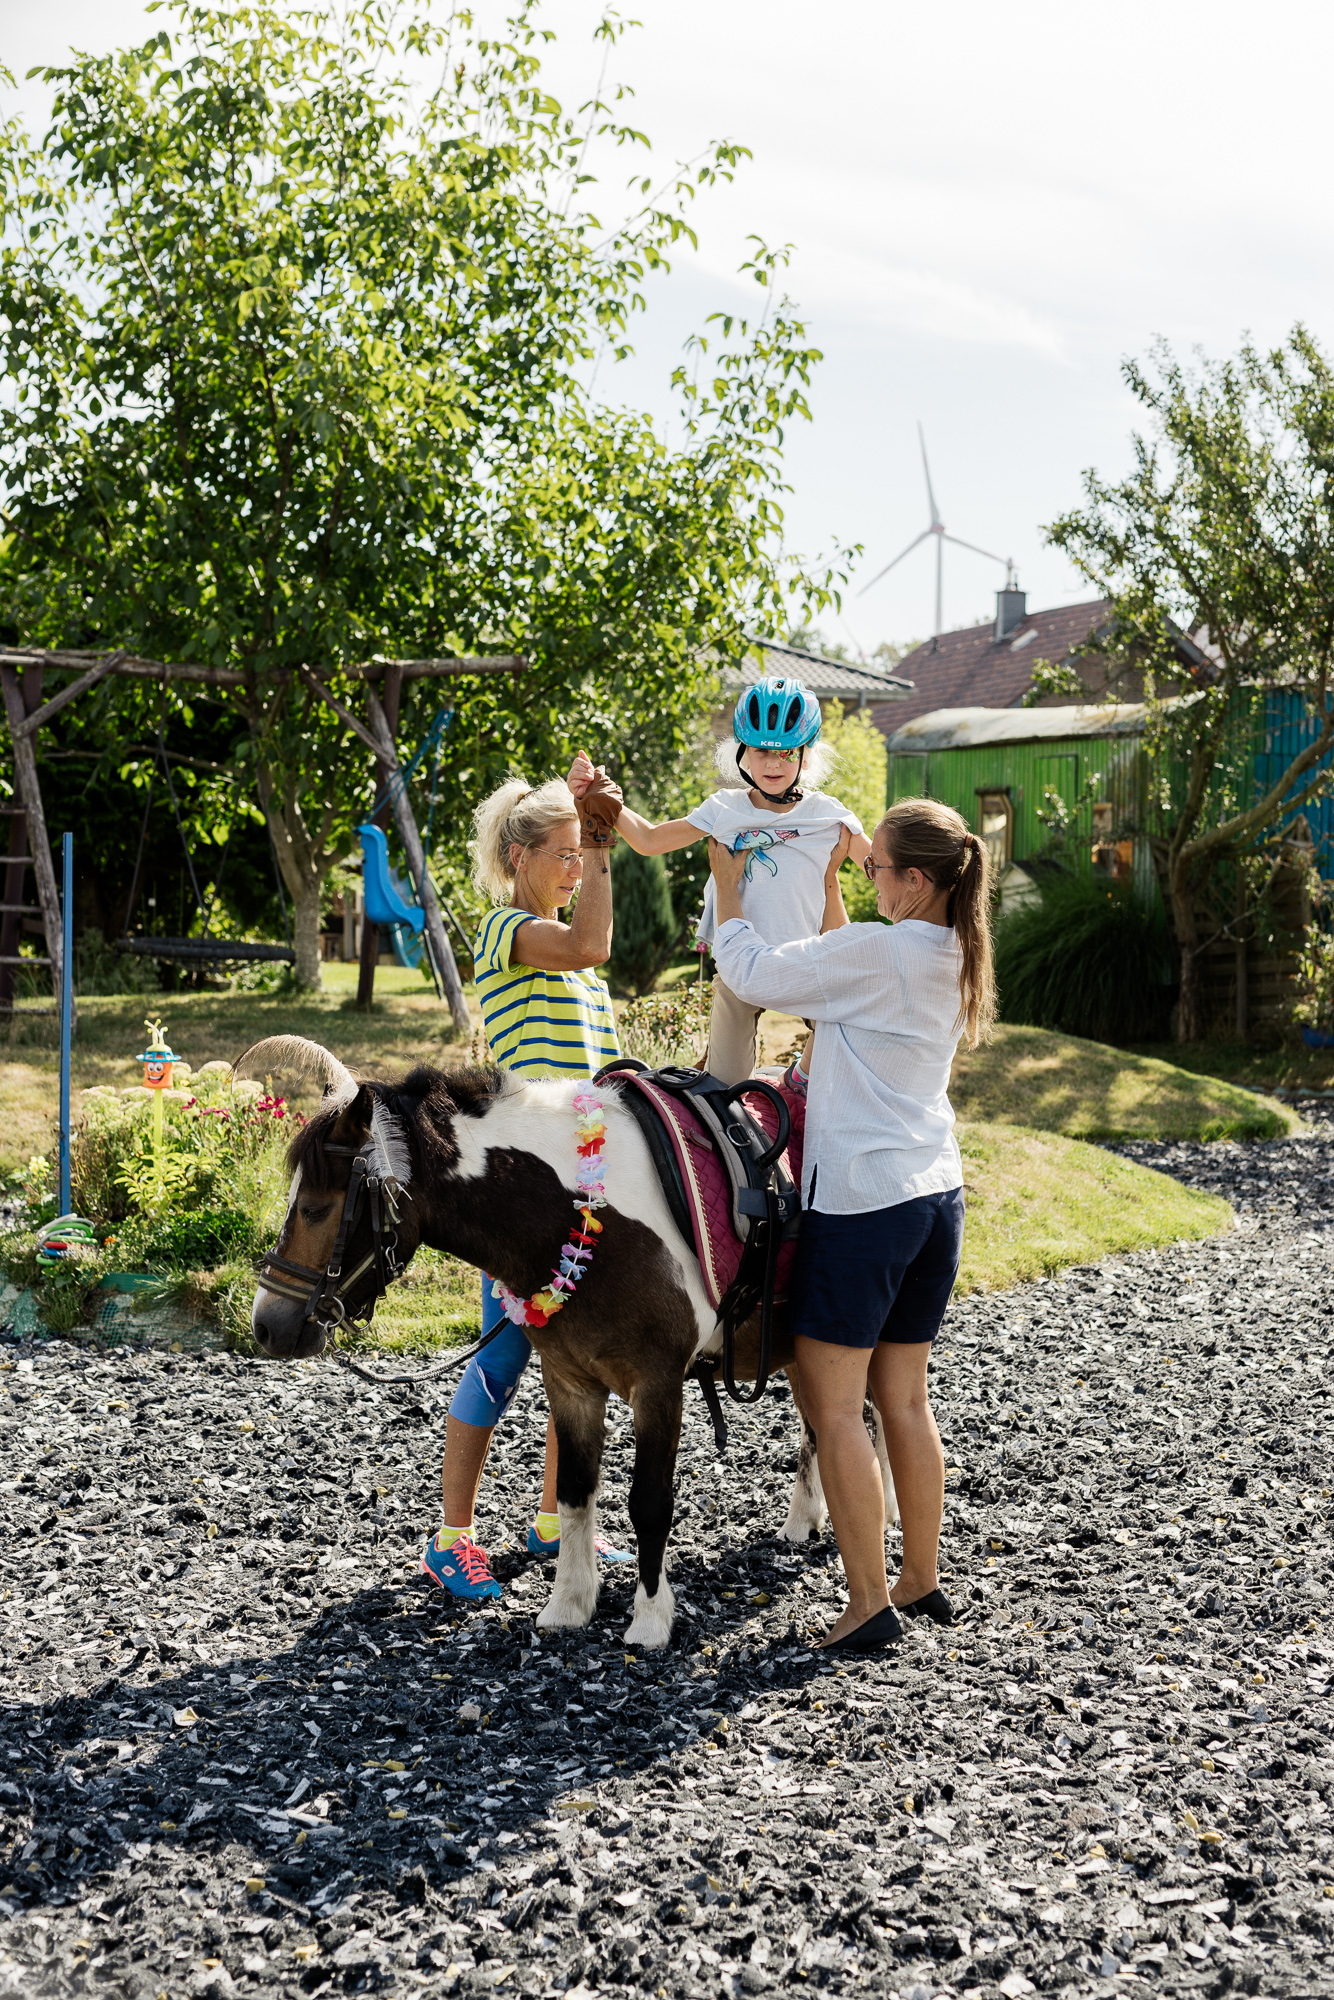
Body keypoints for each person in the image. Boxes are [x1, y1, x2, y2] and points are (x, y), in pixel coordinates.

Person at [706, 798, 994, 1653]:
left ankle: (867, 1605)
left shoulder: (883, 951)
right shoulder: (952, 947)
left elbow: (755, 974)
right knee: (905, 1400)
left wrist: (729, 892)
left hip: (864, 1204)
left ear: (916, 880)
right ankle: (920, 1578)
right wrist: (831, 881)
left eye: (876, 869)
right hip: (934, 1196)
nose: (870, 879)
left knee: (834, 1410)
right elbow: (843, 966)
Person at [421, 761, 632, 1601]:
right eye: (565, 854)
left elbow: (601, 1069)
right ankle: (451, 1538)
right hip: (519, 1183)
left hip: (580, 1179)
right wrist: (607, 835)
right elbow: (590, 940)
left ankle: (555, 1519)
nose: (577, 868)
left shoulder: (582, 976)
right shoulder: (505, 931)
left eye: (583, 853)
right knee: (504, 1354)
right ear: (519, 858)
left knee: (575, 1358)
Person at [612, 674, 872, 1085]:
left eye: (786, 752)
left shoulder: (829, 815)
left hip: (808, 961)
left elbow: (882, 869)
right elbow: (649, 840)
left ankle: (795, 1086)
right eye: (760, 751)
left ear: (807, 756)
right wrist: (605, 801)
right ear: (742, 754)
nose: (772, 764)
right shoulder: (724, 809)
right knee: (722, 1087)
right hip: (740, 966)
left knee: (844, 1053)